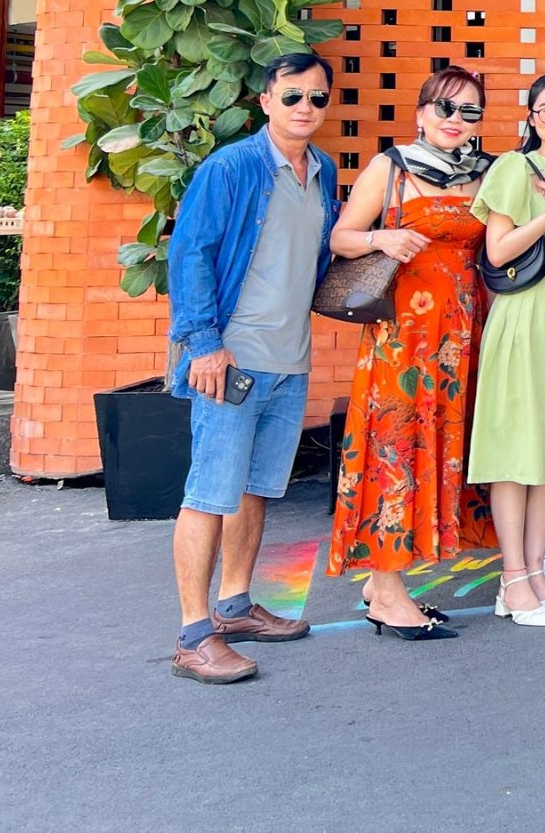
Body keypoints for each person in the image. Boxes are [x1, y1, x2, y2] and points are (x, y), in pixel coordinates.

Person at [165, 52, 340, 684]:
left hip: (290, 361)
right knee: (209, 493)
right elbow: (190, 253)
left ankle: (235, 607)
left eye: (316, 98)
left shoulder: (322, 171)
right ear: (265, 101)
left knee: (256, 489)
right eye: (292, 96)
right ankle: (193, 635)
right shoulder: (231, 167)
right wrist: (204, 344)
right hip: (231, 359)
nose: (304, 107)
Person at [326, 67, 495, 638]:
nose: (455, 120)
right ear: (421, 113)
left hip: (461, 337)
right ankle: (390, 594)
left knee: (440, 449)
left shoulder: (486, 173)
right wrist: (382, 237)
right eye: (444, 107)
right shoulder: (391, 167)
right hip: (402, 337)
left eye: (469, 111)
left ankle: (382, 582)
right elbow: (341, 237)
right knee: (395, 449)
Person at [467, 70, 545, 628]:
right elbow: (497, 252)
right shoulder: (514, 168)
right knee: (515, 450)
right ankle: (513, 576)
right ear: (531, 117)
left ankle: (538, 575)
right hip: (525, 316)